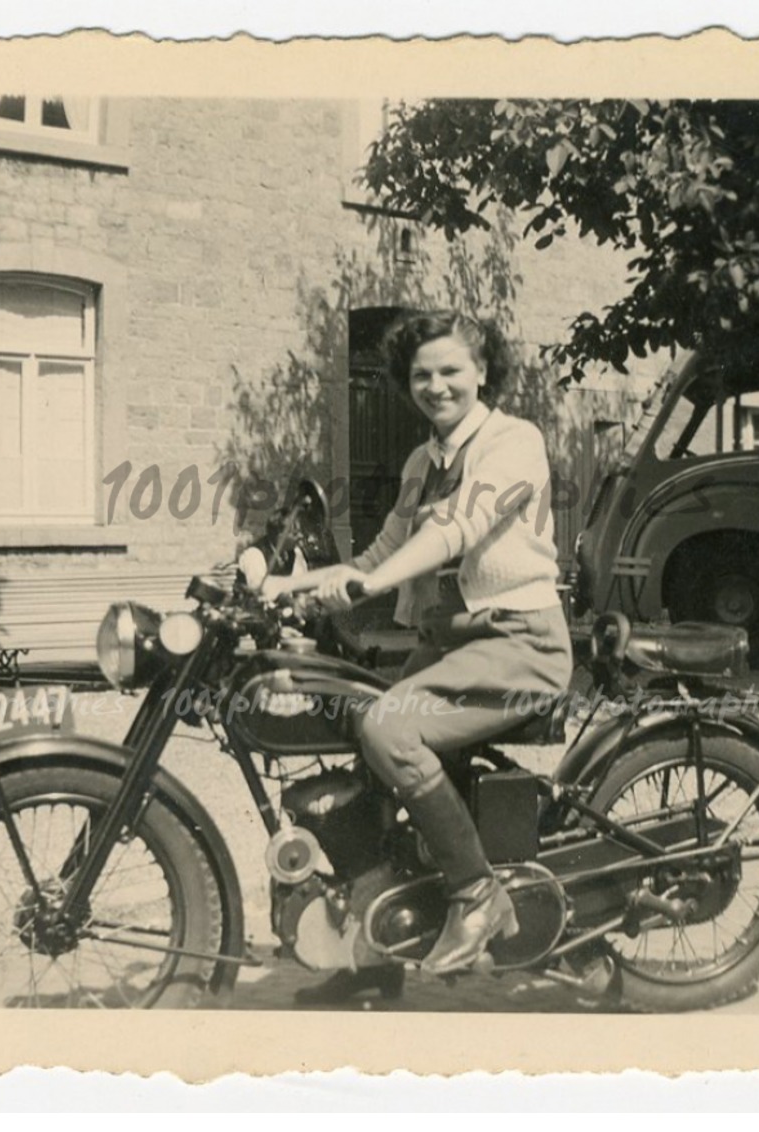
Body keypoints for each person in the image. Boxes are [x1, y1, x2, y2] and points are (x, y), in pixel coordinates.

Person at [278, 310, 572, 1004]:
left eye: (451, 371)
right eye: (421, 375)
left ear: (482, 373)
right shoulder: (422, 461)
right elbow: (385, 548)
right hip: (450, 645)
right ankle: (374, 958)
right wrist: (290, 586)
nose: (436, 386)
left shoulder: (514, 443)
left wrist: (371, 584)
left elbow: (461, 526)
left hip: (519, 641)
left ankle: (479, 895)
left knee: (390, 728)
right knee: (360, 770)